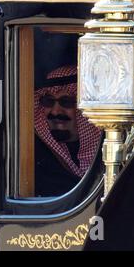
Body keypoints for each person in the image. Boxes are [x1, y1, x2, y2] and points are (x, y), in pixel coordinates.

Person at [34, 65, 102, 197]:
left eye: (66, 102)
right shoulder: (36, 152)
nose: (55, 111)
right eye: (49, 101)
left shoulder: (107, 149)